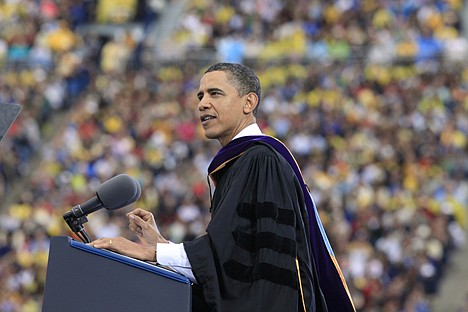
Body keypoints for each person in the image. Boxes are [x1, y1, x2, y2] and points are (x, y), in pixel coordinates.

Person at [89, 63, 355, 312]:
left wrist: (156, 252)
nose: (203, 104)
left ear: (248, 103)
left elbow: (252, 268)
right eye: (200, 96)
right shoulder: (240, 163)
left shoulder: (261, 160)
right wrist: (163, 246)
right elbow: (235, 263)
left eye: (215, 94)